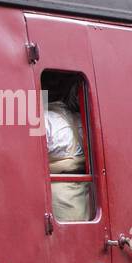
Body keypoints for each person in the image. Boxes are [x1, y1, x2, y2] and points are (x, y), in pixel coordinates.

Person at [43, 77, 93, 222]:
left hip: (57, 199)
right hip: (85, 197)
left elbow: (32, 169)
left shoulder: (44, 119)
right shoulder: (80, 120)